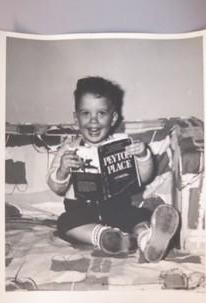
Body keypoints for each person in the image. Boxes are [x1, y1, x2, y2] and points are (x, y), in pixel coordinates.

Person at [48, 76, 179, 262]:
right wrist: (62, 170)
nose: (93, 121)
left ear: (113, 117)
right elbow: (56, 187)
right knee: (65, 223)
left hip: (118, 206)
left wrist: (142, 156)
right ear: (76, 118)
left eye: (101, 113)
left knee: (140, 216)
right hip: (81, 210)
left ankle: (147, 241)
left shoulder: (123, 144)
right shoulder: (68, 149)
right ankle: (106, 238)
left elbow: (144, 178)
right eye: (85, 113)